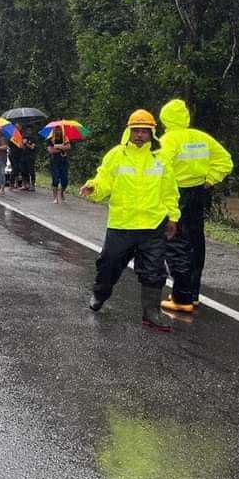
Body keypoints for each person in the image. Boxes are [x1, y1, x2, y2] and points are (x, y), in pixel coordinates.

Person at [80, 109, 181, 332]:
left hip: (153, 225)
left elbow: (170, 191)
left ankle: (151, 314)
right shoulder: (116, 155)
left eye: (144, 131)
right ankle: (100, 294)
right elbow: (104, 179)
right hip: (122, 225)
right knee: (108, 264)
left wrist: (173, 217)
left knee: (154, 271)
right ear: (129, 131)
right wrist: (94, 187)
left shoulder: (161, 158)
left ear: (151, 133)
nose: (140, 135)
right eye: (136, 130)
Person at [158, 99, 234, 313]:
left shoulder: (167, 140)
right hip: (199, 193)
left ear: (165, 118)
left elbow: (160, 168)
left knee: (175, 244)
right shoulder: (202, 138)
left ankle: (181, 298)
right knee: (195, 242)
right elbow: (225, 161)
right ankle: (193, 293)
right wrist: (209, 180)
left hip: (176, 194)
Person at [48, 128, 70, 203]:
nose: (58, 131)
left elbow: (68, 146)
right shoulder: (51, 139)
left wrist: (59, 147)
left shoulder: (65, 137)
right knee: (55, 179)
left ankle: (61, 192)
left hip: (64, 162)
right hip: (55, 162)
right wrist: (60, 149)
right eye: (56, 130)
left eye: (59, 130)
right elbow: (50, 150)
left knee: (65, 180)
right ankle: (55, 197)